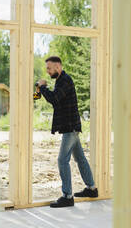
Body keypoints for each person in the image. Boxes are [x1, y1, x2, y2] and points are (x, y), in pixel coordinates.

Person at [37, 56, 98, 208]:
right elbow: (56, 99)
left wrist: (43, 87)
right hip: (71, 127)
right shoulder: (60, 81)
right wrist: (41, 90)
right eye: (47, 69)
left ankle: (67, 196)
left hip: (70, 127)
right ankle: (91, 189)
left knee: (62, 160)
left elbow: (55, 99)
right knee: (80, 159)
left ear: (58, 67)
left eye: (49, 68)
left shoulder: (65, 80)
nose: (48, 71)